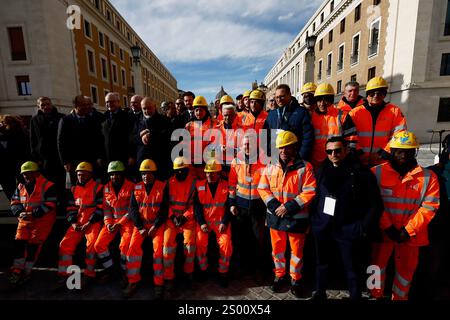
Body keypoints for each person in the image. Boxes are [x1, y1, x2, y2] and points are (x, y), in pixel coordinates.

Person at [370, 131, 439, 300]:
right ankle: (374, 295)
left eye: (408, 151)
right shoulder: (375, 173)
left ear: (415, 151)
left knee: (405, 272)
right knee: (374, 268)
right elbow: (373, 204)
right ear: (391, 150)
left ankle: (400, 297)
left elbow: (429, 207)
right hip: (383, 233)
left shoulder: (429, 178)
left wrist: (407, 231)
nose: (403, 155)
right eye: (399, 150)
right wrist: (387, 226)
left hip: (411, 236)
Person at [311, 136, 383, 300]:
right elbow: (315, 197)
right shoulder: (321, 169)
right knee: (322, 264)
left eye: (337, 150)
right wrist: (315, 220)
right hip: (324, 226)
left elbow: (375, 204)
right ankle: (320, 293)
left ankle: (355, 296)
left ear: (346, 150)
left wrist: (362, 227)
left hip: (349, 228)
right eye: (329, 151)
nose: (333, 154)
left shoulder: (361, 172)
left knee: (352, 267)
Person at [258, 130, 316, 298]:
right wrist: (277, 206)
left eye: (287, 148)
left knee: (297, 252)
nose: (283, 151)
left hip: (296, 218)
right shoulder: (270, 166)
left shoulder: (306, 167)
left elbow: (310, 191)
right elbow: (263, 188)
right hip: (275, 216)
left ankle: (295, 280)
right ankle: (279, 275)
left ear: (295, 148)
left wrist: (288, 207)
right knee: (277, 250)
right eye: (281, 148)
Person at [8, 161, 57, 287]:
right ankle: (17, 269)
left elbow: (51, 204)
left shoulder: (47, 185)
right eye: (24, 174)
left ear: (36, 173)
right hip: (25, 219)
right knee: (19, 242)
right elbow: (14, 202)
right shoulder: (21, 186)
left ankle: (27, 271)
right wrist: (19, 213)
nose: (26, 176)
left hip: (42, 220)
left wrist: (33, 214)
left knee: (33, 245)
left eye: (29, 173)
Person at [124, 159, 168, 299]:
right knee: (132, 249)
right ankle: (133, 281)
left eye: (148, 173)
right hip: (141, 226)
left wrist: (155, 226)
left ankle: (159, 284)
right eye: (143, 174)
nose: (146, 176)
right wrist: (140, 227)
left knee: (158, 251)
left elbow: (164, 209)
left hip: (157, 225)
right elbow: (132, 209)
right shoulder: (136, 188)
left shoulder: (162, 186)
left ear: (154, 174)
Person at [57, 162, 104, 288]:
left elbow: (101, 209)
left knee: (91, 246)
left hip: (92, 222)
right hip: (78, 222)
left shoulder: (98, 187)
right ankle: (65, 274)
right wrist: (73, 222)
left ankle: (89, 274)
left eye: (83, 174)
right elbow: (70, 208)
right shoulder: (73, 189)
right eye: (78, 174)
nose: (80, 177)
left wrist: (89, 222)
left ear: (90, 175)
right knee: (65, 244)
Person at [229, 133, 268, 279]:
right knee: (241, 238)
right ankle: (242, 267)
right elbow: (232, 184)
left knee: (259, 239)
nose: (247, 146)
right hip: (241, 206)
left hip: (258, 206)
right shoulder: (236, 161)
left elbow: (268, 184)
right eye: (245, 144)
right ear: (241, 145)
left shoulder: (264, 161)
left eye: (249, 144)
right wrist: (232, 203)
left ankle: (258, 269)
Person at [344, 76, 407, 167]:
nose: (376, 96)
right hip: (359, 161)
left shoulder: (395, 111)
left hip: (384, 161)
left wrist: (383, 153)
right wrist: (359, 153)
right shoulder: (355, 113)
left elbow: (400, 135)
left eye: (380, 93)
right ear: (367, 94)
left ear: (384, 94)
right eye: (372, 93)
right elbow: (349, 137)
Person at [94, 161, 135, 284]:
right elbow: (106, 208)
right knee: (98, 245)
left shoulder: (131, 186)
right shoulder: (106, 188)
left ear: (122, 174)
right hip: (112, 221)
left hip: (127, 221)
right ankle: (111, 271)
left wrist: (120, 222)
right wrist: (108, 223)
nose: (114, 177)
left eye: (117, 174)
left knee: (125, 245)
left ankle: (124, 273)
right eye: (112, 174)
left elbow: (132, 209)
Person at [194, 159, 233, 287]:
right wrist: (201, 223)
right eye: (207, 173)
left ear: (219, 173)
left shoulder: (226, 185)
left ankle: (223, 273)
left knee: (226, 245)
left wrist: (225, 222)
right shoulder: (199, 185)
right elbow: (197, 207)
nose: (210, 175)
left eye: (213, 173)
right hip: (204, 222)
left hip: (221, 222)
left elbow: (229, 206)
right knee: (200, 243)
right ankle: (203, 270)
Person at [163, 157, 197, 293]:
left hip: (187, 219)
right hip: (172, 220)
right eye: (178, 171)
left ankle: (188, 274)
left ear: (187, 170)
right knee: (167, 245)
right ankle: (169, 278)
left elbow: (196, 205)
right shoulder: (168, 183)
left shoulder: (193, 183)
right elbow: (165, 204)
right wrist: (172, 216)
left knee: (190, 244)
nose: (180, 173)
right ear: (174, 171)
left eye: (183, 170)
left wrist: (185, 216)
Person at [57, 95, 104, 184]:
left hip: (90, 159)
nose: (86, 107)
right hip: (73, 161)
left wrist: (99, 156)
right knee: (77, 185)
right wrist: (65, 161)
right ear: (76, 106)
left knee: (91, 184)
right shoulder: (65, 120)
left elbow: (98, 139)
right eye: (83, 105)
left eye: (87, 104)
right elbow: (61, 142)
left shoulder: (92, 120)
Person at [263, 84, 314, 161]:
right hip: (275, 159)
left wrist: (301, 157)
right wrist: (269, 154)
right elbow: (265, 136)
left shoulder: (301, 112)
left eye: (282, 96)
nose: (279, 99)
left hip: (295, 159)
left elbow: (308, 137)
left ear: (289, 94)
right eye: (277, 97)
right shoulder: (272, 114)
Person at [310, 83, 355, 168]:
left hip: (338, 162)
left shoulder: (342, 116)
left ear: (331, 100)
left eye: (325, 100)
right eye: (319, 100)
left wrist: (348, 157)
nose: (322, 103)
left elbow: (352, 139)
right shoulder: (312, 117)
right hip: (317, 163)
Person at [29, 97, 65, 187]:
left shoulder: (61, 117)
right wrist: (36, 158)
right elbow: (33, 139)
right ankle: (50, 200)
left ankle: (62, 199)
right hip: (44, 158)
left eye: (48, 104)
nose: (46, 107)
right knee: (47, 182)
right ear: (38, 107)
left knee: (62, 181)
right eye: (43, 105)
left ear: (51, 105)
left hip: (59, 155)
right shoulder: (34, 120)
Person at [133, 97, 171, 180]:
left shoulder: (164, 120)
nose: (147, 111)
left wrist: (151, 135)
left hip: (159, 162)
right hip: (142, 162)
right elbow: (132, 139)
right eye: (144, 108)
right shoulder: (136, 121)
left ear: (155, 106)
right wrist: (140, 136)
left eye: (149, 108)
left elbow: (167, 138)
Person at [185, 96, 217, 180]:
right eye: (196, 110)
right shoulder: (189, 126)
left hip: (207, 166)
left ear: (205, 111)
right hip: (191, 166)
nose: (199, 112)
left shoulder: (213, 124)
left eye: (201, 110)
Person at [102, 92, 136, 172]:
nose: (109, 104)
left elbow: (132, 138)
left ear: (118, 102)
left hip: (123, 158)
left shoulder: (127, 117)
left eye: (112, 101)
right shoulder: (103, 117)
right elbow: (100, 138)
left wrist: (132, 156)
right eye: (107, 102)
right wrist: (100, 156)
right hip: (107, 159)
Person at [0, 115, 30, 199]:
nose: (3, 125)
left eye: (5, 123)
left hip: (18, 166)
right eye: (2, 122)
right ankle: (17, 207)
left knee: (22, 189)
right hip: (5, 169)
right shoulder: (3, 135)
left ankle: (22, 206)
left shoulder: (20, 134)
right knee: (11, 192)